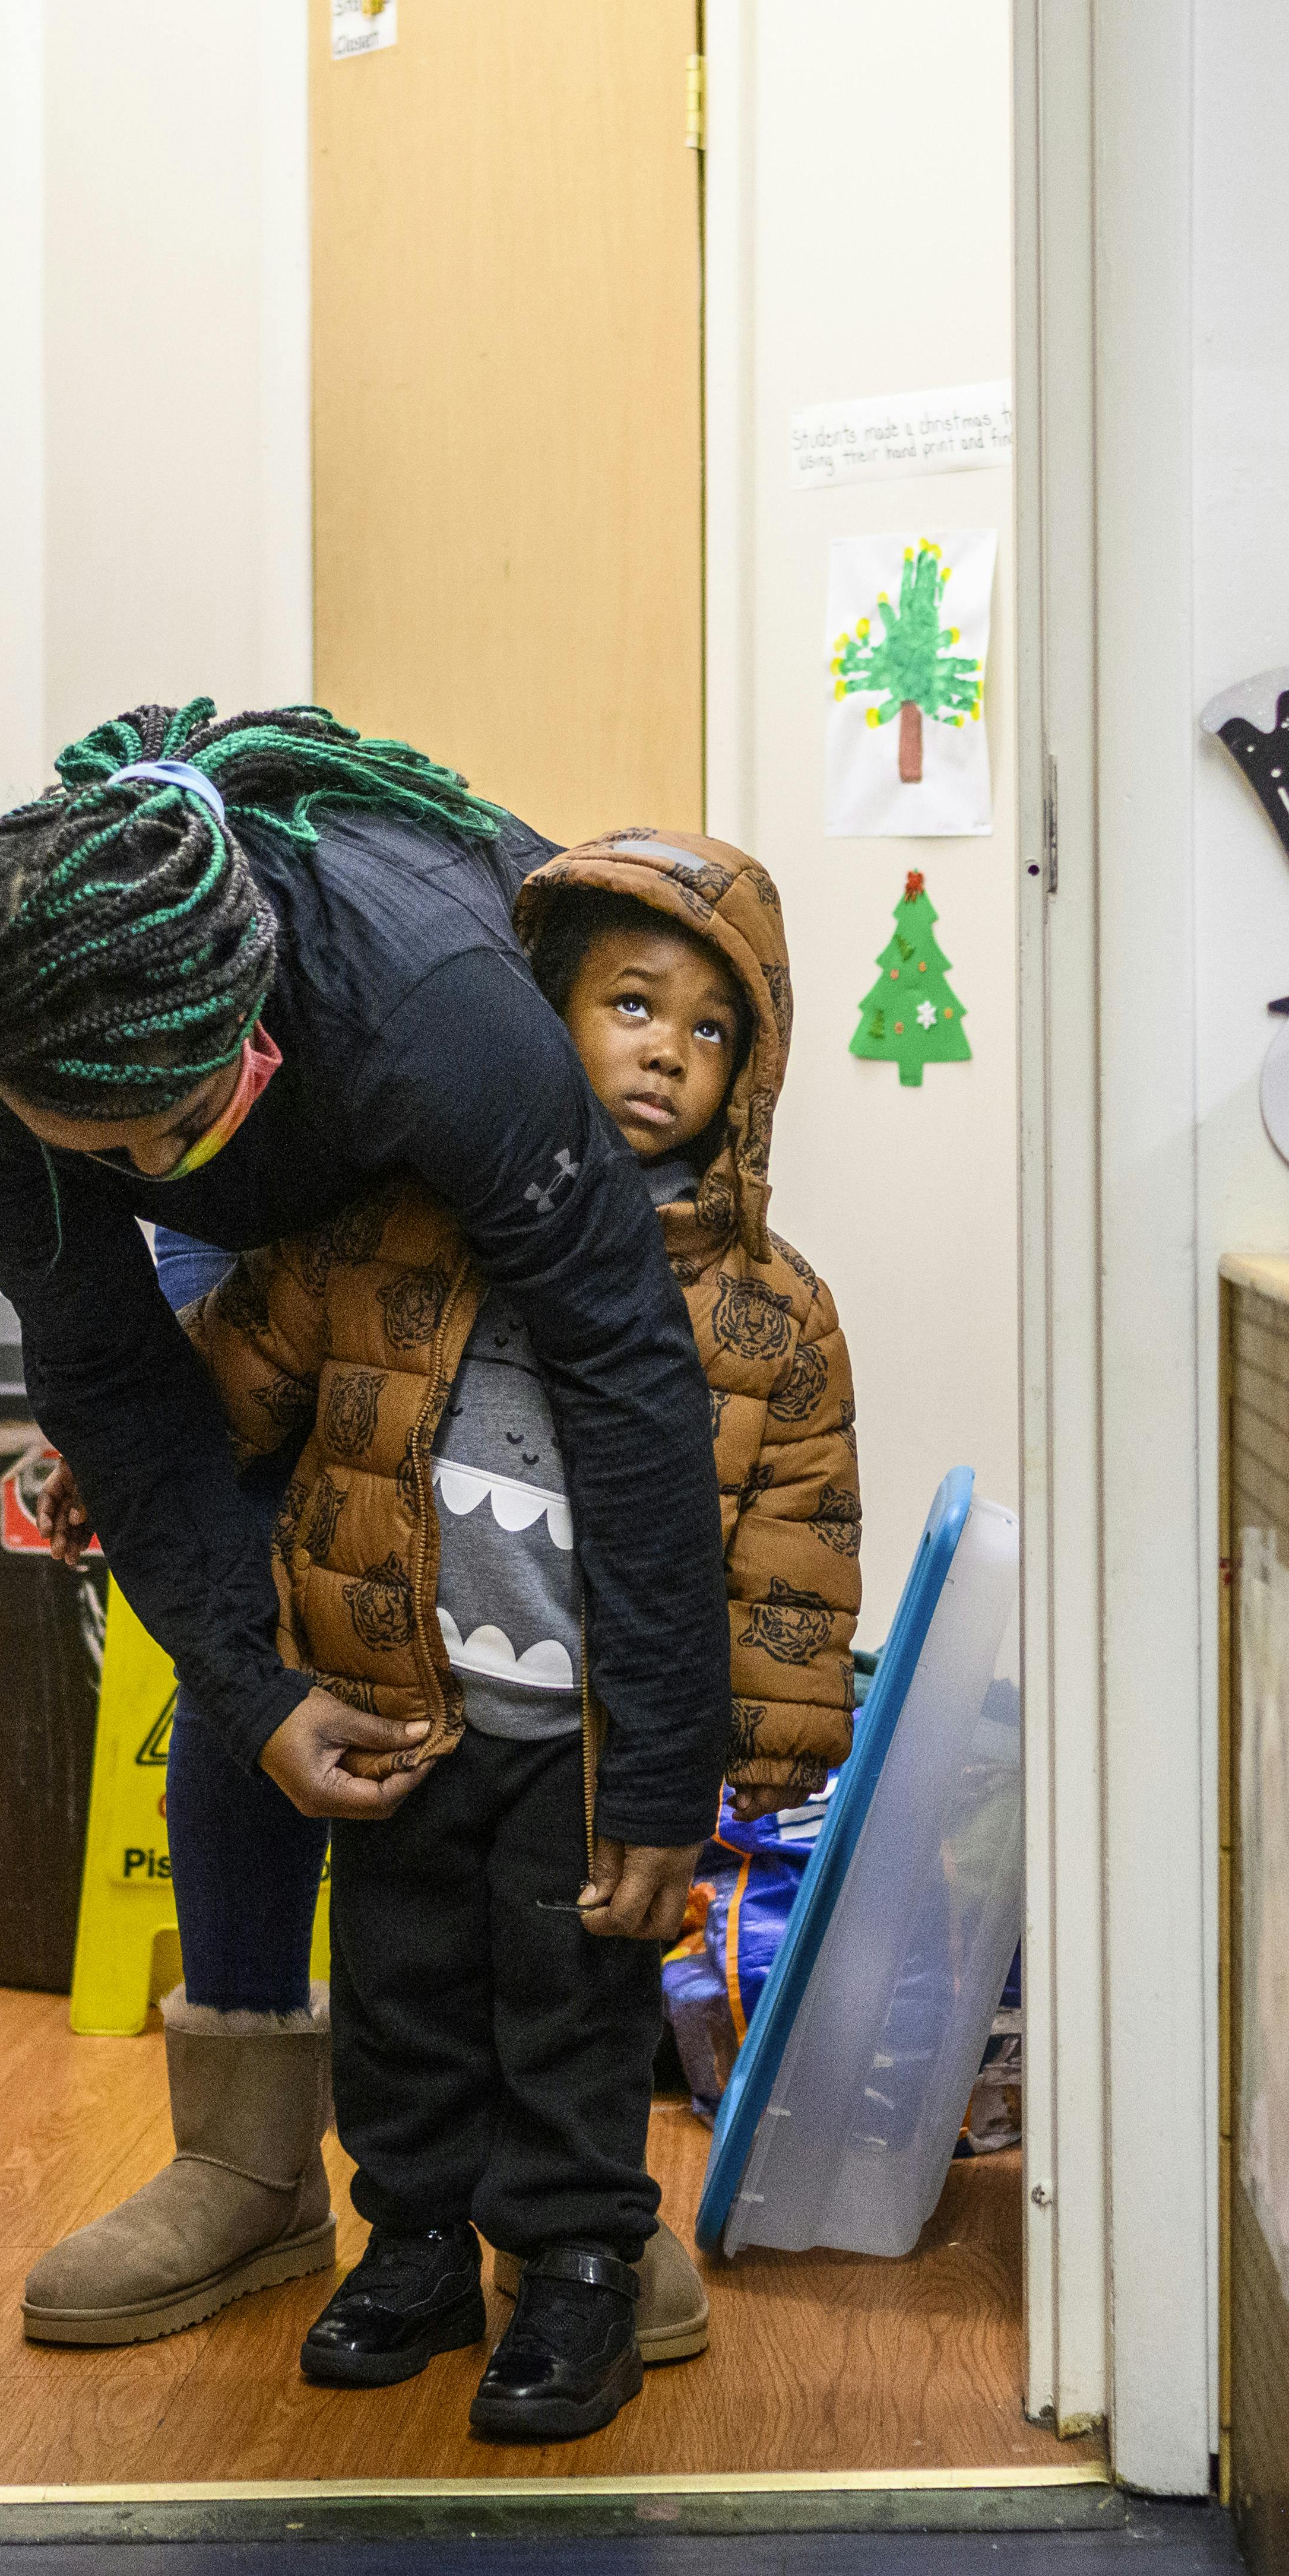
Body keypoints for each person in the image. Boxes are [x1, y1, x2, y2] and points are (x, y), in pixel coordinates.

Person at [0, 705, 734, 2364]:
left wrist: (661, 1767)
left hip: (463, 1154)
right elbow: (111, 1373)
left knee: (523, 1606)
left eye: (159, 1124)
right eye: (96, 1146)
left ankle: (569, 2205)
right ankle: (251, 2167)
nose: (133, 1167)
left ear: (246, 1013)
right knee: (264, 1601)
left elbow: (632, 1372)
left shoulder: (444, 1011)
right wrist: (256, 1686)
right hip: (263, 1196)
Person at [183, 829, 860, 2441]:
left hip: (594, 1751)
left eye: (710, 1034)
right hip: (400, 1712)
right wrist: (123, 1446)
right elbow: (258, 1359)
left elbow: (795, 1547)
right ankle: (411, 2244)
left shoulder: (769, 1308)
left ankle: (570, 2267)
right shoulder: (393, 1223)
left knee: (573, 2016)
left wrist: (732, 1765)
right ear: (542, 1014)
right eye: (631, 1006)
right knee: (406, 1994)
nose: (665, 1054)